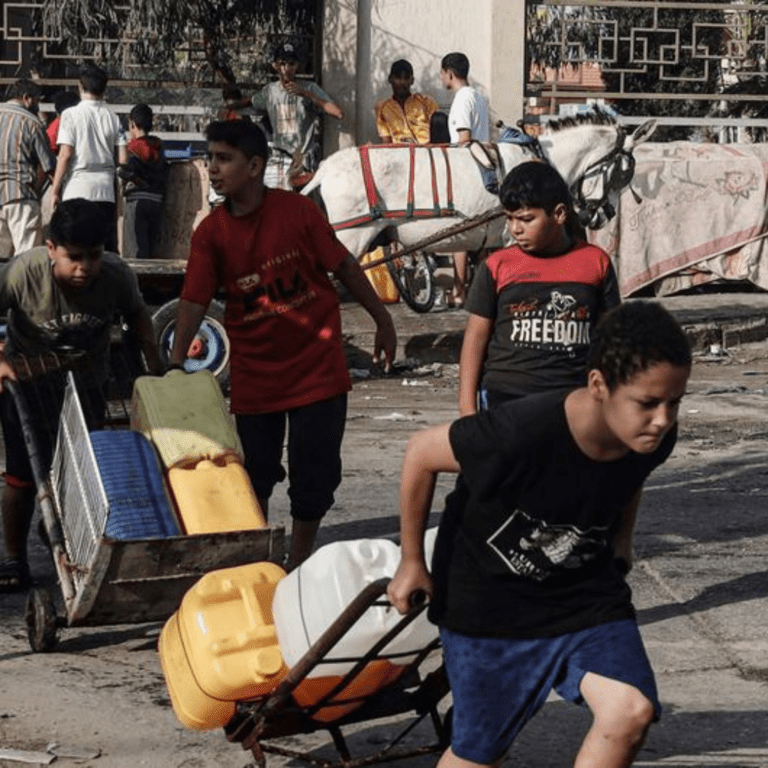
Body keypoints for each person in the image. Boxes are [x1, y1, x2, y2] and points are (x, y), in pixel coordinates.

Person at [388, 300, 692, 768]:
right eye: (648, 403)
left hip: (584, 597)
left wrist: (622, 540)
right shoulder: (522, 432)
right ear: (598, 385)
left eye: (674, 402)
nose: (664, 419)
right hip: (489, 606)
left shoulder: (650, 438)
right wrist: (412, 562)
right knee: (478, 754)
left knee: (631, 711)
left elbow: (630, 478)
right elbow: (421, 452)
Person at [169, 120, 396, 570]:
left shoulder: (298, 212)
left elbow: (346, 267)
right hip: (257, 374)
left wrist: (383, 320)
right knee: (255, 475)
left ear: (254, 166)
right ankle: (261, 562)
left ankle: (298, 561)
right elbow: (194, 300)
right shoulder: (211, 233)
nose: (212, 168)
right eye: (210, 158)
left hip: (318, 367)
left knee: (315, 476)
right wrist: (174, 362)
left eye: (223, 159)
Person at [0, 198, 162, 591]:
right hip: (27, 385)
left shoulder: (116, 275)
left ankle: (65, 533)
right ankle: (13, 558)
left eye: (93, 256)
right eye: (74, 257)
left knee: (81, 471)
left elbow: (138, 315)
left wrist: (155, 363)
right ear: (51, 248)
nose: (84, 267)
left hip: (87, 384)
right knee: (23, 476)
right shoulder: (23, 273)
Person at [458, 160, 620, 416]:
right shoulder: (497, 266)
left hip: (574, 400)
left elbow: (611, 336)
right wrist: (467, 410)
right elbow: (475, 338)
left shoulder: (595, 262)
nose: (515, 229)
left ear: (558, 214)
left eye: (526, 219)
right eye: (509, 218)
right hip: (506, 398)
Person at [51, 64, 127, 253]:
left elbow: (65, 154)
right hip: (105, 192)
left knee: (75, 246)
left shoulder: (70, 115)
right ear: (104, 88)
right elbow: (123, 158)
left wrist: (55, 190)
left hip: (77, 190)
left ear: (80, 86)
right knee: (103, 250)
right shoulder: (114, 117)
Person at [252, 41, 343, 188]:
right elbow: (252, 102)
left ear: (297, 66)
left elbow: (337, 113)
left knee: (301, 204)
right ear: (275, 66)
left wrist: (306, 94)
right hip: (279, 160)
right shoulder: (270, 91)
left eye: (291, 64)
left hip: (303, 161)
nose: (286, 69)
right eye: (282, 64)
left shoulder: (309, 88)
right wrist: (231, 106)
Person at [440, 52, 490, 308]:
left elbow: (464, 139)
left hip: (466, 172)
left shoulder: (461, 100)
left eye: (442, 73)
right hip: (483, 172)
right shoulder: (479, 98)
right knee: (480, 237)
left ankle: (459, 291)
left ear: (448, 72)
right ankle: (479, 293)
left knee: (460, 235)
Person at [0, 79, 56, 258]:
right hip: (22, 197)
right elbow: (49, 166)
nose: (38, 107)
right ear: (27, 98)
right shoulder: (32, 123)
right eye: (37, 101)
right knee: (27, 261)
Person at [118, 103, 168, 259]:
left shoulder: (131, 147)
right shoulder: (158, 144)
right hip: (157, 201)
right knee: (151, 248)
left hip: (137, 201)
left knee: (136, 250)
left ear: (133, 124)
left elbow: (125, 170)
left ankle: (139, 282)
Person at [375, 59, 439, 145]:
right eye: (398, 77)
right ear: (390, 79)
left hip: (427, 151)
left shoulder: (426, 102)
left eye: (406, 78)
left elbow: (438, 134)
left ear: (412, 80)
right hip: (399, 153)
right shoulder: (383, 107)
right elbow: (386, 142)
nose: (402, 82)